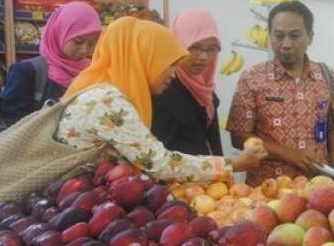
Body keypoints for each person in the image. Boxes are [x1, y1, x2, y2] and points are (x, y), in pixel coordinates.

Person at [45, 16, 262, 183]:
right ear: (144, 59)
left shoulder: (104, 91)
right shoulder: (108, 101)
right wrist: (231, 164)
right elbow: (159, 163)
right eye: (168, 64)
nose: (173, 74)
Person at [226, 0, 334, 186]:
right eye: (279, 36)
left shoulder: (325, 76)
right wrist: (288, 154)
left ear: (310, 37)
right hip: (267, 188)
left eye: (295, 36)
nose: (286, 44)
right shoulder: (252, 78)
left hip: (317, 188)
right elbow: (238, 136)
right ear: (270, 36)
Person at [1, 1, 101, 127]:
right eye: (78, 41)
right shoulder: (26, 71)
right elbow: (14, 124)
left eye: (92, 44)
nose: (84, 50)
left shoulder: (92, 71)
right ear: (59, 32)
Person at [151, 8, 223, 156]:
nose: (203, 57)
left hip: (210, 175)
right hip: (178, 176)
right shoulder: (164, 88)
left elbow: (213, 142)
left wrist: (224, 172)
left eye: (211, 49)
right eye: (194, 47)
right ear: (178, 44)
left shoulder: (205, 87)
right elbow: (161, 151)